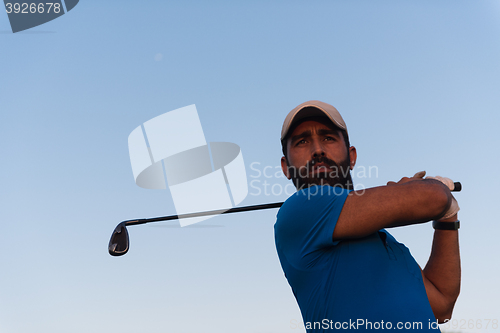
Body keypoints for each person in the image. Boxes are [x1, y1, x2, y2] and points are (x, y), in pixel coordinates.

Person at [274, 100, 461, 332]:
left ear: (351, 157)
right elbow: (433, 198)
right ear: (286, 167)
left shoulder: (386, 239)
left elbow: (442, 307)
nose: (318, 150)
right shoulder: (299, 210)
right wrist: (424, 191)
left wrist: (448, 218)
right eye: (302, 142)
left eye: (328, 138)